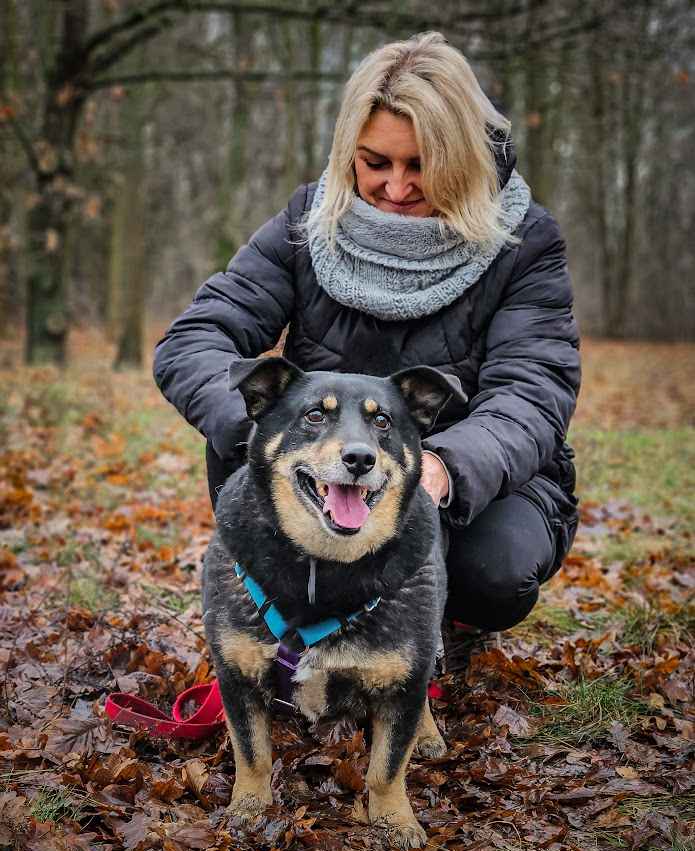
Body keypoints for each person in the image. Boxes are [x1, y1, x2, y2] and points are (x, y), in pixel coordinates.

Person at [153, 31, 580, 663]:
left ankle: (440, 621)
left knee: (498, 571)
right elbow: (196, 337)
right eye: (375, 162)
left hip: (462, 477)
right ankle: (289, 620)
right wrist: (269, 431)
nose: (397, 189)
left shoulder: (524, 242)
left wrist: (443, 469)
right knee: (251, 443)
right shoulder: (310, 221)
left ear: (462, 156)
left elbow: (533, 392)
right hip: (326, 460)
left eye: (422, 165)